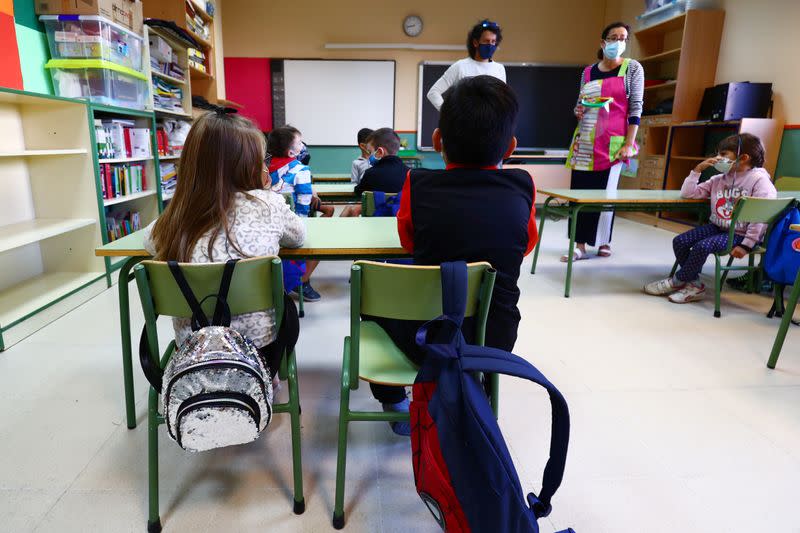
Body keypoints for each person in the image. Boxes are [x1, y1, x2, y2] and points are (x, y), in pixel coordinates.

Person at [369, 75, 538, 435]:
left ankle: (394, 400)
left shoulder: (419, 183)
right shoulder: (523, 184)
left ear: (436, 141)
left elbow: (408, 242)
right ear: (510, 148)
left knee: (376, 286)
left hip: (429, 336)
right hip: (493, 337)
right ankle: (474, 386)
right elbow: (524, 246)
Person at [143, 111, 305, 382]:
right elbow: (298, 236)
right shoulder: (270, 204)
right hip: (260, 347)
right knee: (285, 302)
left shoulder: (175, 217)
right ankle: (269, 377)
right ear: (252, 164)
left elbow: (149, 241)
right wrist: (265, 193)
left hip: (193, 346)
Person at [644, 133, 777, 304]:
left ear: (743, 158)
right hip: (718, 226)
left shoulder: (760, 181)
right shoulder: (718, 179)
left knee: (702, 246)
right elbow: (688, 194)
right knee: (680, 241)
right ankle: (694, 284)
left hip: (740, 234)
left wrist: (746, 245)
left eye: (723, 155)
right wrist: (697, 170)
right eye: (718, 154)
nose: (717, 159)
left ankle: (677, 280)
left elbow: (760, 216)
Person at [563, 21, 644, 261]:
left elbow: (636, 108)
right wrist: (577, 110)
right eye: (613, 37)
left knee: (606, 195)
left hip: (615, 142)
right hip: (586, 140)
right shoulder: (587, 72)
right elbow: (581, 103)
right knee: (580, 193)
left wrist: (629, 143)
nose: (618, 42)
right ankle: (579, 245)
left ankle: (604, 240)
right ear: (603, 42)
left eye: (623, 38)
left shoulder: (632, 69)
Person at [267, 125, 332, 302]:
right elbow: (303, 209)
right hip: (291, 230)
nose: (303, 144)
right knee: (321, 239)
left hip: (267, 229)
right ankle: (301, 280)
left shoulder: (263, 167)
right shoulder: (301, 170)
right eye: (299, 142)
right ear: (291, 153)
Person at [426, 19, 506, 111]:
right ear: (475, 42)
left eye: (493, 42)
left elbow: (502, 101)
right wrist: (449, 114)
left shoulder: (499, 69)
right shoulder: (460, 66)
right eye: (486, 41)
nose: (490, 45)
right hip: (464, 123)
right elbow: (433, 93)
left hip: (491, 124)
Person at [341, 128, 409, 217]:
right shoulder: (409, 173)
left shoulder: (370, 174)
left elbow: (358, 192)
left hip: (373, 223)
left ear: (380, 152)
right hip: (399, 224)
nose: (369, 155)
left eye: (370, 152)